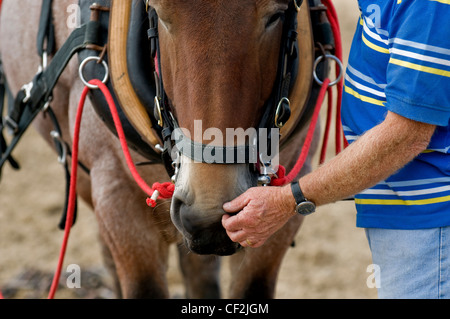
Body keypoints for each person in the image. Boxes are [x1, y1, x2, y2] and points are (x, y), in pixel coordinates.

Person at [221, 0, 450, 299]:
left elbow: (405, 136)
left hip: (429, 221)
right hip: (401, 206)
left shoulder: (428, 6)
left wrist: (287, 201)